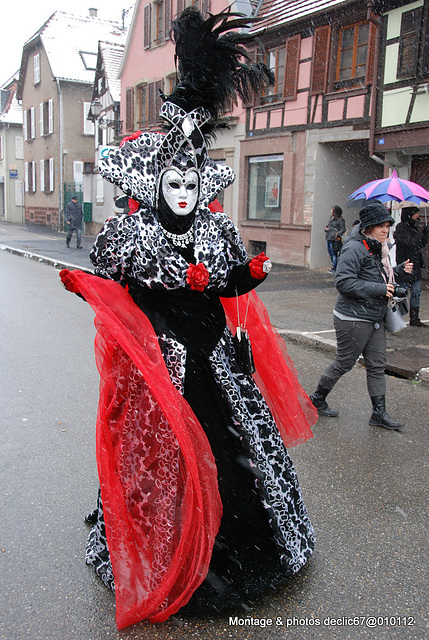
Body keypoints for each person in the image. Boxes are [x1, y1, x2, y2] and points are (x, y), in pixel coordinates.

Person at [60, 7, 316, 629]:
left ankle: (251, 543)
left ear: (202, 184)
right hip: (162, 369)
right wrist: (100, 287)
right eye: (173, 179)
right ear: (154, 183)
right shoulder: (133, 233)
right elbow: (112, 288)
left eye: (192, 180)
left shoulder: (214, 228)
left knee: (238, 451)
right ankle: (169, 551)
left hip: (217, 361)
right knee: (162, 457)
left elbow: (226, 282)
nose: (182, 190)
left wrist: (246, 274)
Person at [310, 201, 413, 430]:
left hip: (375, 317)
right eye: (381, 226)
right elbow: (344, 282)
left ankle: (379, 414)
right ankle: (316, 399)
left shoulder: (378, 246)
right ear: (368, 227)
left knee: (377, 365)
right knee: (344, 363)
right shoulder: (355, 247)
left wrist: (396, 272)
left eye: (388, 225)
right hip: (352, 318)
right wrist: (379, 289)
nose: (386, 230)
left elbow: (374, 275)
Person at [394, 204, 429, 327]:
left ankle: (414, 318)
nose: (418, 216)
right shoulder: (401, 228)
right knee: (402, 293)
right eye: (415, 213)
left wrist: (425, 234)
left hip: (415, 264)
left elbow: (419, 244)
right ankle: (396, 318)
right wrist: (420, 233)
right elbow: (410, 243)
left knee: (416, 292)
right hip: (405, 265)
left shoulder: (414, 227)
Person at [325, 205, 346, 273]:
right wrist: (326, 229)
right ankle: (333, 265)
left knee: (334, 253)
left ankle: (334, 267)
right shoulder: (331, 219)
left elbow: (343, 229)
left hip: (334, 239)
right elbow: (329, 226)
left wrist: (337, 234)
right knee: (330, 253)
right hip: (329, 237)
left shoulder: (340, 220)